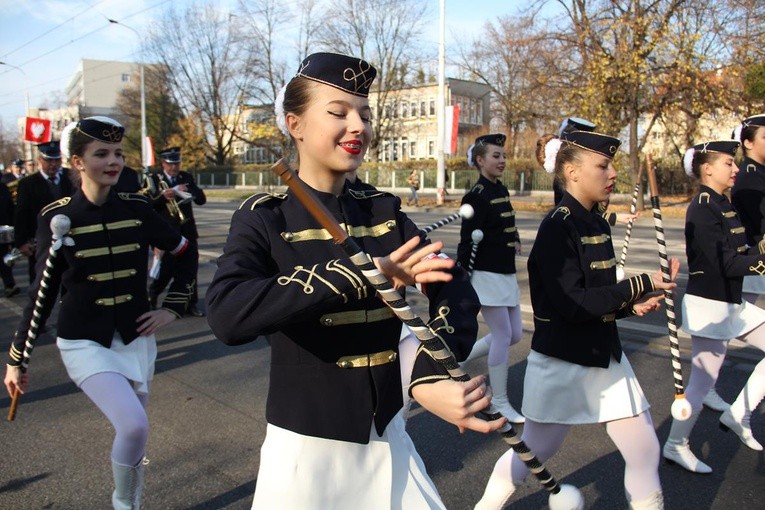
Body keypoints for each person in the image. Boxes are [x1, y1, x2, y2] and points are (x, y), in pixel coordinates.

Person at [206, 52, 504, 509]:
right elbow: (228, 314)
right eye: (338, 112)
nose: (358, 126)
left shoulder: (383, 211)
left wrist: (426, 375)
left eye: (364, 114)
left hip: (388, 439)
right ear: (295, 124)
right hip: (306, 454)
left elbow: (455, 289)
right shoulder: (263, 218)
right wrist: (364, 274)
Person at [476, 130, 677, 510]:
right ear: (570, 171)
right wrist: (638, 283)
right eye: (603, 165)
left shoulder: (597, 223)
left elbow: (597, 294)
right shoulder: (559, 225)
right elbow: (572, 304)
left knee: (645, 449)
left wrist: (631, 305)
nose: (613, 172)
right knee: (536, 451)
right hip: (562, 360)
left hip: (605, 356)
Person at [4, 116, 196, 509]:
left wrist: (173, 309)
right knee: (134, 424)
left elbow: (183, 250)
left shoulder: (138, 207)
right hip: (83, 340)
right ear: (77, 162)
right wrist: (16, 358)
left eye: (118, 153)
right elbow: (42, 293)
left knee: (136, 434)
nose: (114, 161)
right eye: (101, 154)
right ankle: (123, 505)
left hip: (136, 337)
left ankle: (132, 502)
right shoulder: (57, 217)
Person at [662, 139, 765, 474]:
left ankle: (739, 414)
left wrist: (758, 256)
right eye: (727, 163)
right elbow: (723, 263)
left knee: (703, 383)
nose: (735, 169)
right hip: (710, 306)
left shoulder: (723, 203)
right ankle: (675, 445)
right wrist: (762, 264)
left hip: (730, 303)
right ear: (707, 168)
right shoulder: (703, 207)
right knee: (701, 384)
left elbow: (740, 253)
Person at [458, 133, 525, 424]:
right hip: (486, 274)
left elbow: (506, 221)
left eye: (503, 156)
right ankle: (498, 401)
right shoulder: (476, 196)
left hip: (505, 272)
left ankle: (458, 358)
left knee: (516, 334)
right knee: (502, 335)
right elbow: (465, 240)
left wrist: (517, 238)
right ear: (480, 160)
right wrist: (461, 277)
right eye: (495, 156)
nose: (501, 161)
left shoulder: (500, 189)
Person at [722, 115, 765, 413]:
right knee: (726, 325)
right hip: (753, 261)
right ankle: (705, 386)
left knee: (725, 328)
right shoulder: (749, 177)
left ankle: (706, 385)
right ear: (748, 142)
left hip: (757, 261)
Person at [146, 147, 206, 317]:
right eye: (171, 164)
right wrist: (163, 196)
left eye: (177, 163)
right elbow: (147, 204)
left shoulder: (186, 177)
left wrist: (189, 191)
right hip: (165, 232)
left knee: (190, 269)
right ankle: (153, 295)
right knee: (166, 269)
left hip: (187, 230)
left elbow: (201, 199)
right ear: (163, 163)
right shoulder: (153, 179)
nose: (174, 167)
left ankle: (190, 304)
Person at [14, 141, 74, 284]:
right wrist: (21, 241)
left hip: (70, 238)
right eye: (48, 160)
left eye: (56, 160)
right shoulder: (28, 183)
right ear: (40, 160)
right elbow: (22, 213)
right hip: (40, 241)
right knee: (40, 282)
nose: (53, 164)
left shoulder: (70, 177)